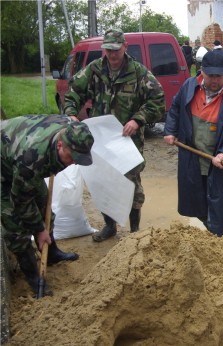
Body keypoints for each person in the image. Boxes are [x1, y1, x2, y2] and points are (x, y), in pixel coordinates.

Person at [64, 28, 165, 241]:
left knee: (131, 185)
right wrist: (71, 115)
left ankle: (134, 232)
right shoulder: (94, 70)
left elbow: (158, 99)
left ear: (125, 48)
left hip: (128, 140)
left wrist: (137, 120)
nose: (112, 55)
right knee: (103, 182)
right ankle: (110, 227)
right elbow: (73, 92)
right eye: (108, 50)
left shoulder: (138, 72)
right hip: (100, 139)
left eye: (116, 50)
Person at [163, 50, 223, 236]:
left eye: (219, 76)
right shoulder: (189, 86)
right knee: (197, 201)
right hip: (193, 158)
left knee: (222, 206)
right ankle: (209, 230)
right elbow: (175, 108)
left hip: (218, 161)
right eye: (210, 75)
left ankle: (221, 239)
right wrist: (170, 131)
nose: (214, 80)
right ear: (201, 71)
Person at [1, 114, 94, 294]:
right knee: (15, 228)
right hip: (4, 169)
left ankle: (51, 254)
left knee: (45, 208)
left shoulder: (71, 127)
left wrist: (43, 226)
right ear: (60, 145)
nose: (74, 162)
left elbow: (73, 120)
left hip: (21, 156)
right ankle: (35, 279)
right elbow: (21, 202)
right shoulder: (31, 161)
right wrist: (39, 229)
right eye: (72, 157)